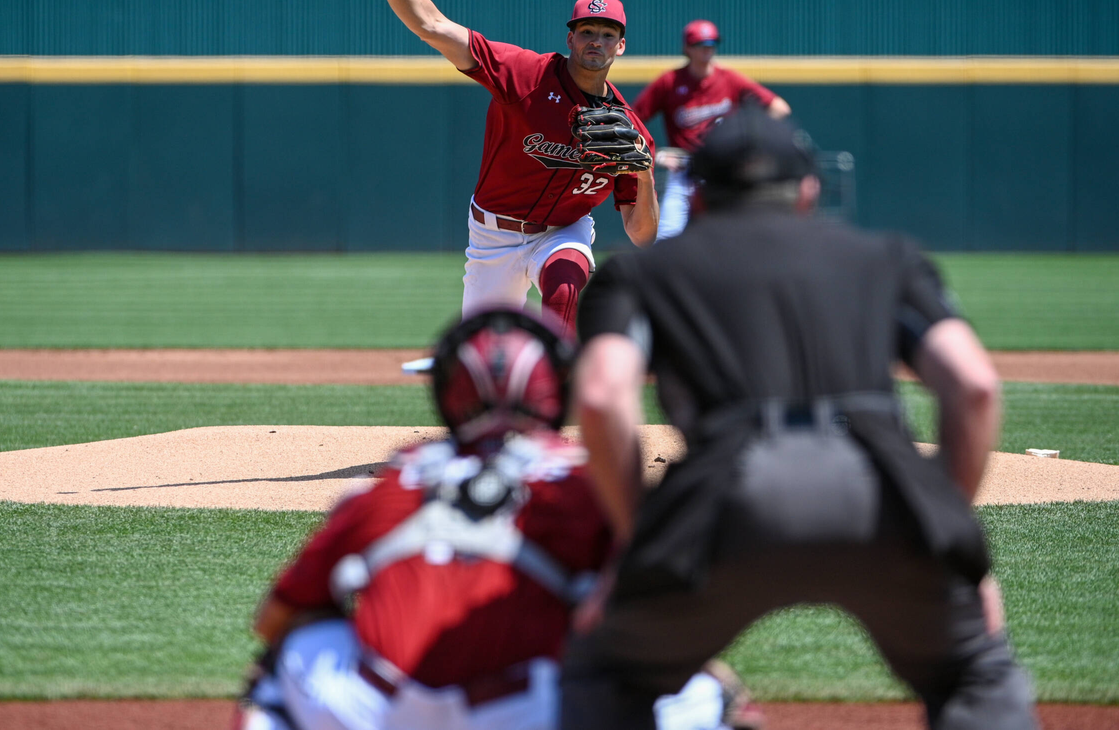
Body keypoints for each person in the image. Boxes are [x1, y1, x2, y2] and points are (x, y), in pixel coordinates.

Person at [560, 106, 1040, 729]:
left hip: (726, 501)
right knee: (972, 670)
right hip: (883, 496)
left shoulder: (641, 273)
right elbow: (974, 386)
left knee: (608, 672)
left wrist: (637, 541)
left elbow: (601, 395)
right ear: (810, 189)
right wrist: (944, 527)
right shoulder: (888, 257)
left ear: (698, 194)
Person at [234, 308, 754, 730]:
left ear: (448, 393)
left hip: (377, 711)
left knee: (285, 656)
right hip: (527, 712)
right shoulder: (581, 483)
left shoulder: (394, 480)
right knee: (708, 690)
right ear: (555, 392)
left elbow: (272, 618)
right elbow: (659, 609)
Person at [343, 0, 660, 336]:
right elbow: (433, 26)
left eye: (608, 34)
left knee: (564, 288)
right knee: (482, 345)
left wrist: (644, 175)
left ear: (621, 45)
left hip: (564, 232)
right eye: (587, 31)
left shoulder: (630, 134)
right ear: (570, 39)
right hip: (493, 235)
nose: (596, 40)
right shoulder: (525, 74)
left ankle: (559, 371)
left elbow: (642, 235)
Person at [632, 20, 790, 240]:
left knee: (730, 237)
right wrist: (656, 155)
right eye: (700, 45)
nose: (707, 50)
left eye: (711, 44)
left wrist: (747, 138)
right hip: (685, 169)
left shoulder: (729, 79)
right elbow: (632, 122)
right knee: (667, 237)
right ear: (687, 48)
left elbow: (779, 108)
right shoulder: (670, 82)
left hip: (722, 168)